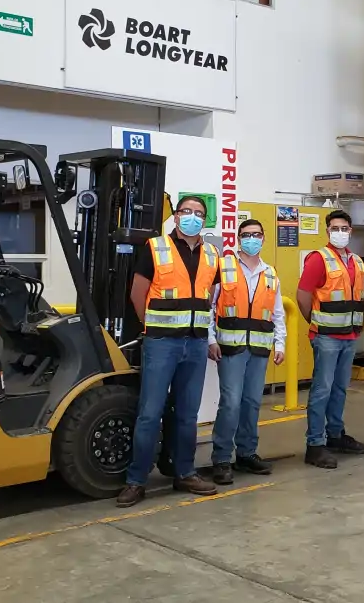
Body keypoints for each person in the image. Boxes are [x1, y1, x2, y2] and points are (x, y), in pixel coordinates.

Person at [118, 196, 221, 507]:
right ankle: (136, 481)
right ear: (176, 216)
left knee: (188, 415)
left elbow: (209, 298)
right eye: (186, 212)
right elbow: (138, 294)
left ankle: (185, 472)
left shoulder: (212, 254)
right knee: (150, 413)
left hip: (196, 343)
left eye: (199, 213)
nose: (192, 217)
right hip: (162, 343)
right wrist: (153, 328)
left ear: (205, 220)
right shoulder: (155, 247)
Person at [207, 219, 286, 485]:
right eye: (246, 235)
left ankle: (247, 453)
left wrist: (281, 342)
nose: (252, 239)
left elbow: (277, 312)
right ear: (239, 239)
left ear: (263, 239)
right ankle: (220, 459)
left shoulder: (271, 273)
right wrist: (210, 339)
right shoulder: (224, 267)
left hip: (260, 348)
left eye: (256, 234)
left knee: (252, 402)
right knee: (230, 402)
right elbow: (210, 306)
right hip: (230, 347)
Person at [296, 210, 364, 469]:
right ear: (327, 231)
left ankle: (335, 435)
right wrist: (315, 323)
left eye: (344, 228)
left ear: (351, 231)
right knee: (322, 390)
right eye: (335, 228)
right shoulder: (319, 259)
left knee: (339, 389)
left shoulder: (356, 262)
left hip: (349, 336)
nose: (340, 232)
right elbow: (303, 296)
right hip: (326, 337)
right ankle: (315, 444)